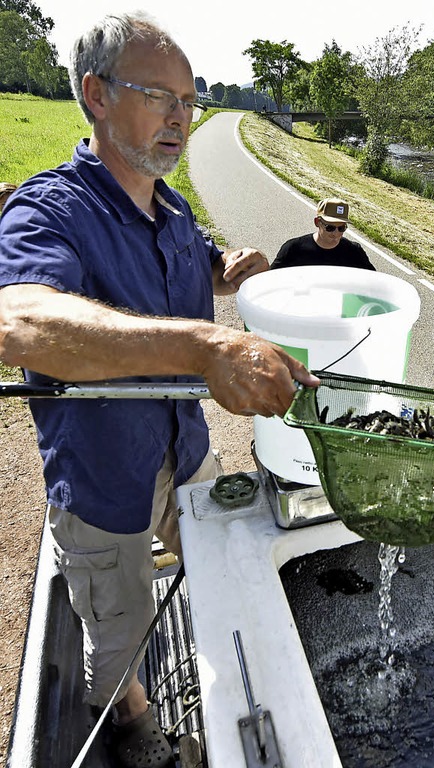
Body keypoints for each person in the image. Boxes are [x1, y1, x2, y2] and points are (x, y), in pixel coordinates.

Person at [0, 12, 318, 768]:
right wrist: (205, 343)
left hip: (187, 451)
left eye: (191, 99)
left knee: (234, 575)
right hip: (106, 479)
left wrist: (223, 271)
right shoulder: (47, 210)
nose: (182, 117)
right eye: (160, 96)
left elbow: (190, 262)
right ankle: (134, 729)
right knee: (122, 624)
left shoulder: (171, 206)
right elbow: (19, 321)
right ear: (97, 96)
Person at [270, 197, 376, 270]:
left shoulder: (354, 252)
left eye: (341, 228)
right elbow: (271, 277)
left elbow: (372, 280)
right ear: (317, 222)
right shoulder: (293, 248)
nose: (336, 233)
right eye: (330, 227)